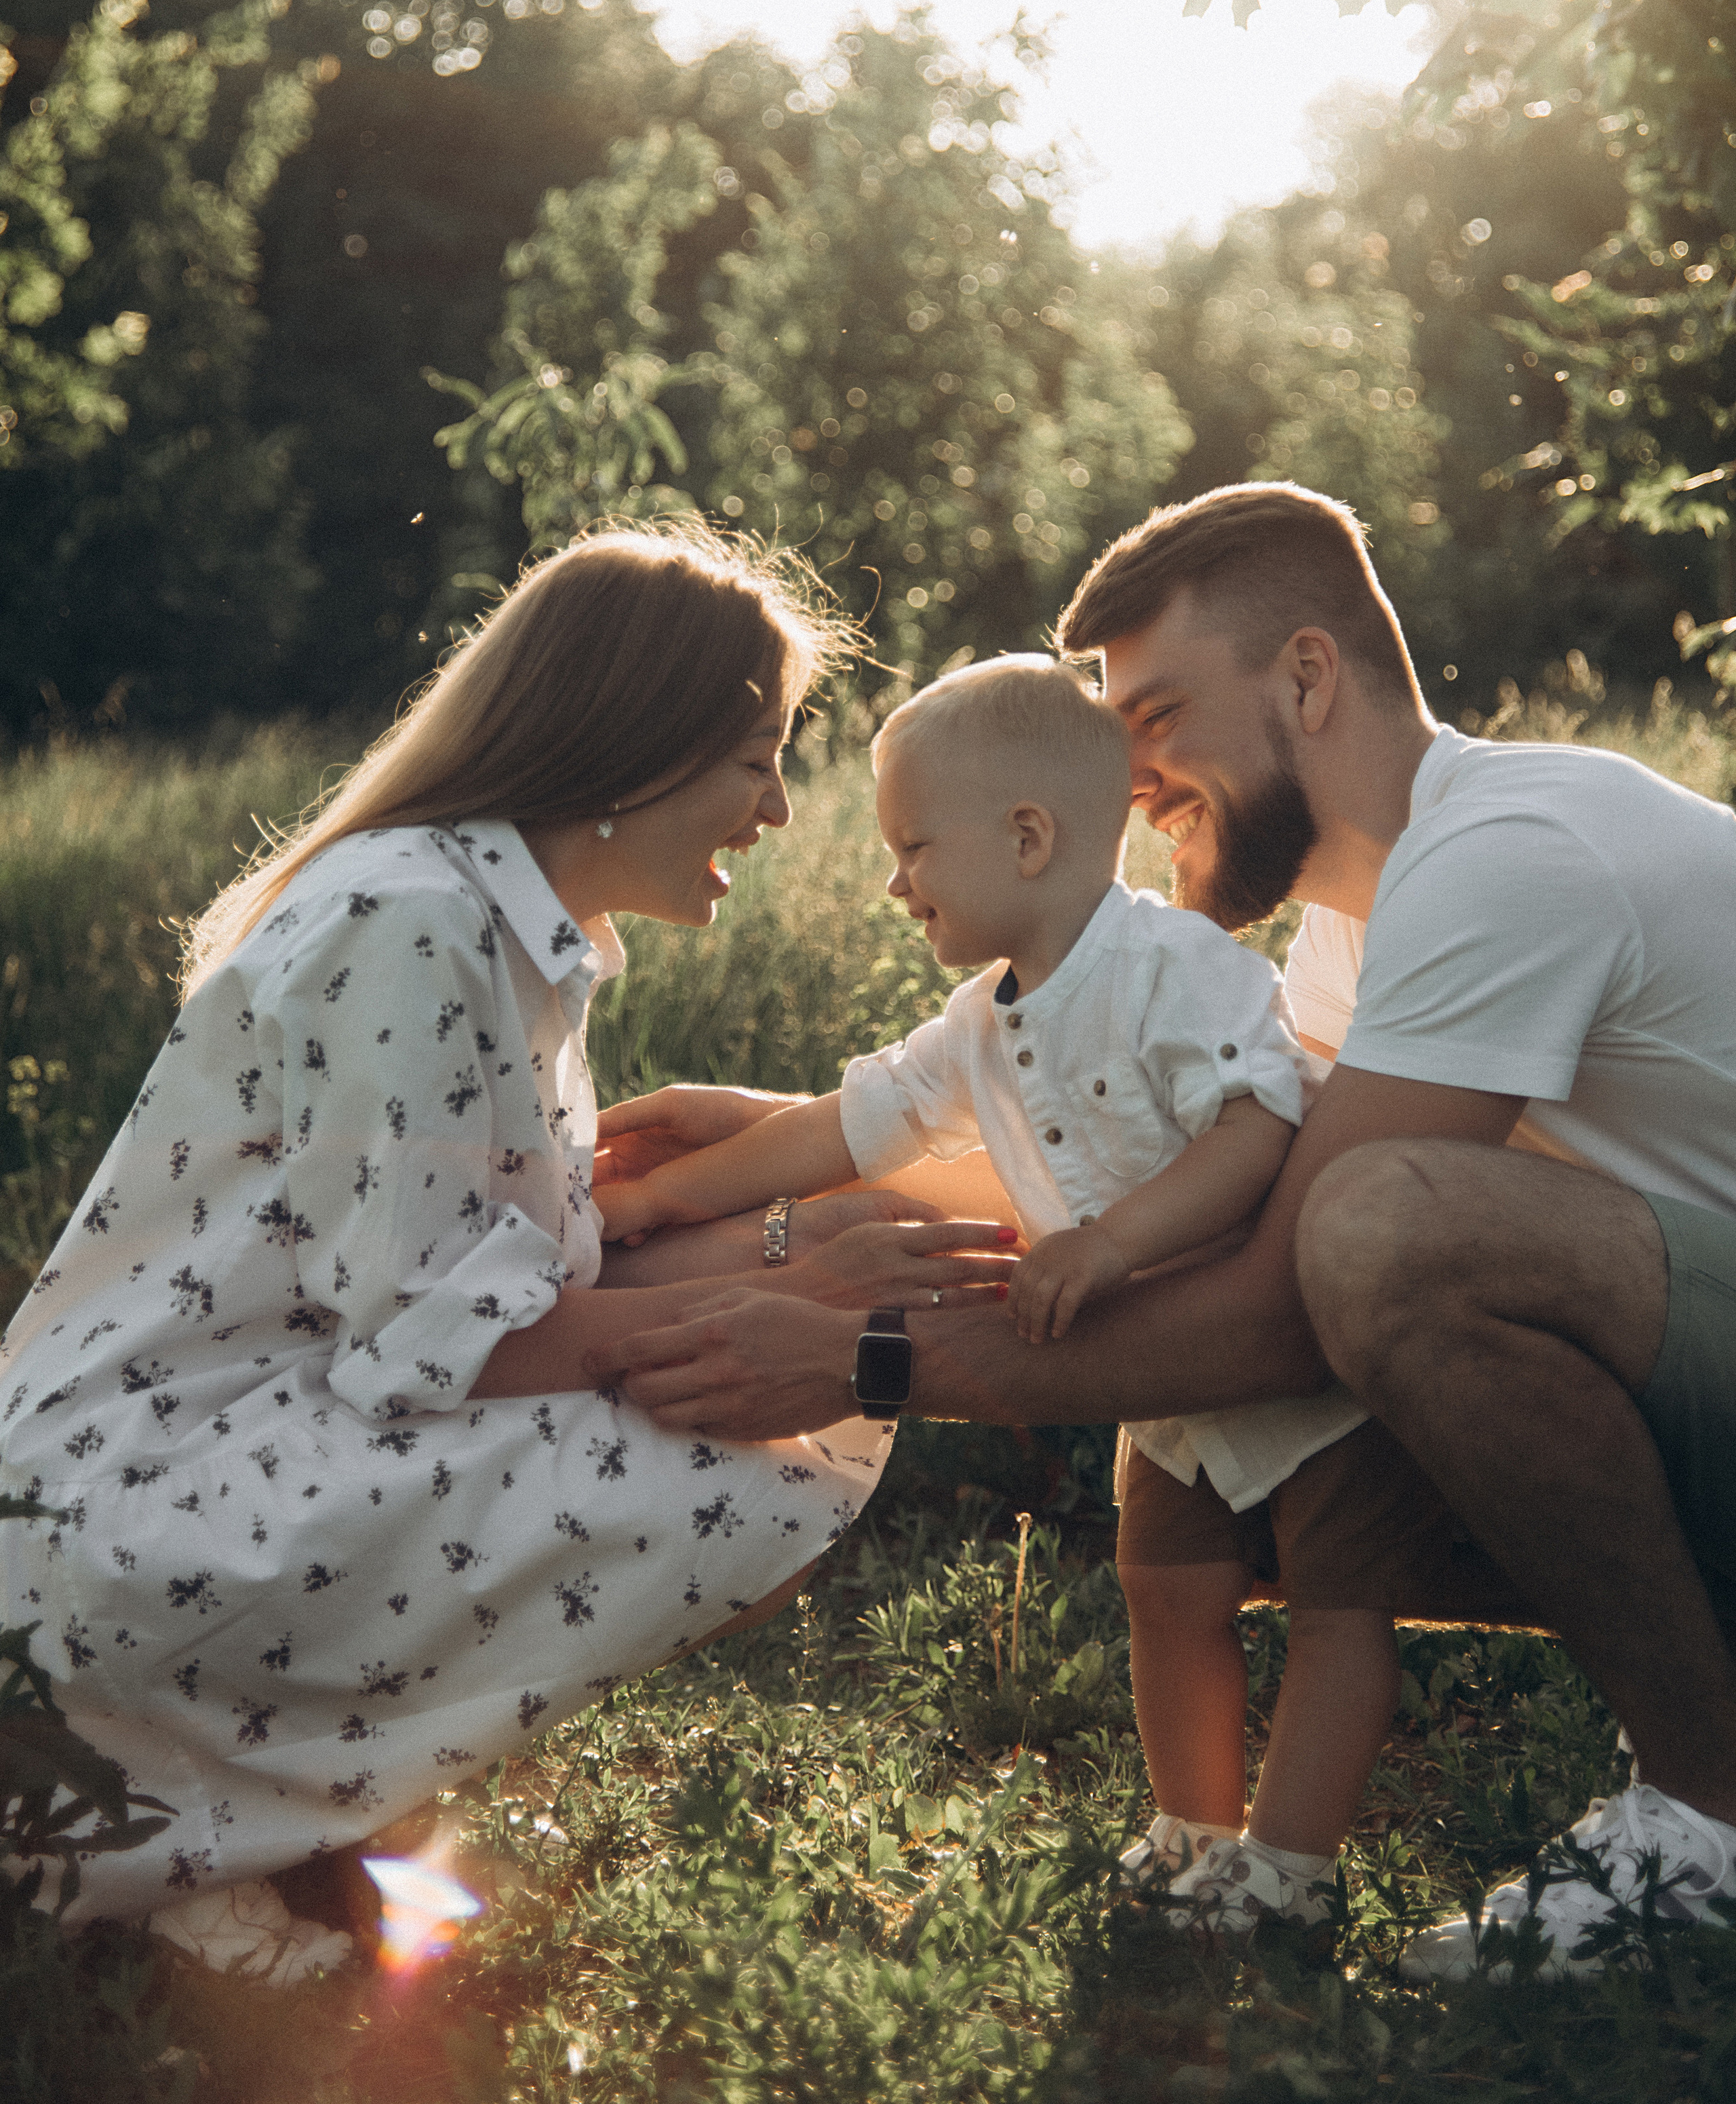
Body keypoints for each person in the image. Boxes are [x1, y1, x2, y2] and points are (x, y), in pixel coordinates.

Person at [592, 484, 1736, 1981]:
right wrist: (761, 1160)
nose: (1128, 779)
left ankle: (1706, 1810)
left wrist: (867, 1363)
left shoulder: (1509, 854)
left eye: (1163, 714)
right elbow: (1138, 1195)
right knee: (1322, 1227)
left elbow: (1285, 1302)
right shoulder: (1355, 928)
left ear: (1309, 678)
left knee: (1380, 1232)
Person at [0, 526, 998, 1983]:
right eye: (757, 757)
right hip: (131, 1506)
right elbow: (441, 1335)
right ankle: (187, 1829)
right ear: (630, 745)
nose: (779, 806)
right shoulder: (412, 922)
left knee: (788, 1402)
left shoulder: (495, 920)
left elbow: (512, 1281)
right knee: (747, 1455)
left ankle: (268, 1812)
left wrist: (793, 1242)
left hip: (233, 1436)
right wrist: (777, 1300)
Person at [597, 655, 1508, 1939]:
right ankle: (1195, 1833)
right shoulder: (979, 1023)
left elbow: (1256, 1124)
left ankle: (1290, 1868)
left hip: (1289, 1371)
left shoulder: (1175, 968)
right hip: (1164, 1394)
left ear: (1027, 837)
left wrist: (1114, 1244)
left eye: (913, 848)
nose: (893, 882)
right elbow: (847, 1127)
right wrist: (666, 1197)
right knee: (1169, 1592)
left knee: (1335, 1604)